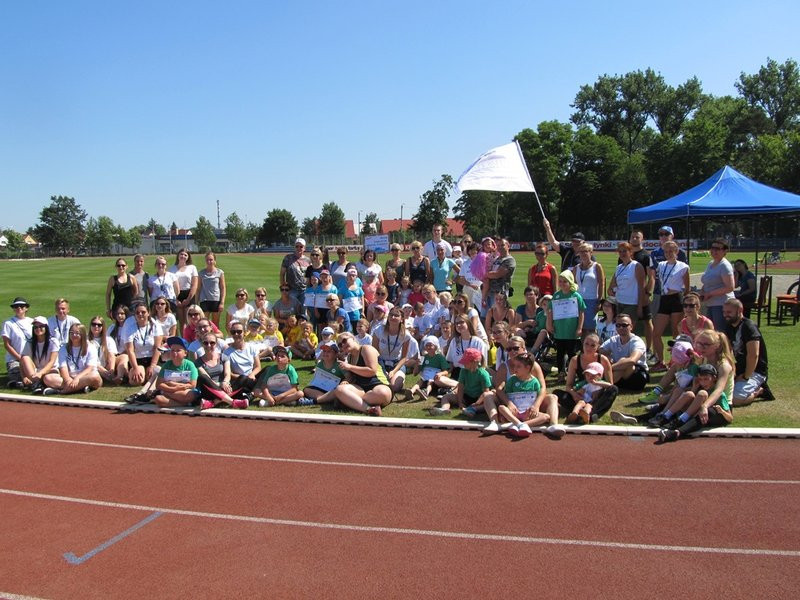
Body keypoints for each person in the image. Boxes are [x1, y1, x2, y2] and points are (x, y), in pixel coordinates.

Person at [482, 352, 564, 438]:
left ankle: (525, 425)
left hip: (528, 412)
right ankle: (498, 423)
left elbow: (541, 390)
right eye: (514, 366)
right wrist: (510, 404)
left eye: (518, 366)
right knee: (502, 408)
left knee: (546, 416)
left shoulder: (534, 380)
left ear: (528, 368)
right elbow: (505, 392)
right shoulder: (512, 379)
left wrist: (535, 406)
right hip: (515, 410)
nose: (515, 368)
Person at [657, 362, 732, 443]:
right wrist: (694, 387)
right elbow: (688, 401)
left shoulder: (719, 395)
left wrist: (722, 411)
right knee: (690, 394)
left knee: (705, 401)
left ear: (714, 378)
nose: (703, 382)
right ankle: (667, 417)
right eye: (700, 379)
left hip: (708, 417)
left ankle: (677, 431)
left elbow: (730, 418)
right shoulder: (699, 388)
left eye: (706, 379)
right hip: (693, 416)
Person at [553, 333, 617, 422]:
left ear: (597, 347)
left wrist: (598, 390)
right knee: (557, 393)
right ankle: (581, 413)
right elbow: (568, 385)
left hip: (597, 395)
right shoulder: (575, 360)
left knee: (614, 389)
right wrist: (575, 395)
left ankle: (591, 414)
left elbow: (610, 384)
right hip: (581, 394)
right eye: (586, 344)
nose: (588, 348)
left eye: (592, 345)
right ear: (582, 344)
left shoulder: (603, 360)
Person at [722, 298, 771, 405]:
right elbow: (728, 352)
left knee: (734, 399)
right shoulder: (729, 326)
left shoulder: (749, 327)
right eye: (724, 312)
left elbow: (754, 355)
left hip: (755, 371)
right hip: (739, 370)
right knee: (720, 393)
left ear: (740, 310)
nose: (726, 315)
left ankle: (760, 390)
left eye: (729, 312)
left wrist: (745, 376)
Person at [650, 240, 690, 371]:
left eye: (671, 251)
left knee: (675, 332)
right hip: (664, 299)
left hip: (676, 299)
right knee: (656, 333)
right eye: (666, 252)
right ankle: (661, 361)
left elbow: (686, 288)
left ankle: (676, 361)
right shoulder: (661, 265)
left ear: (676, 252)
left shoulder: (683, 266)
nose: (668, 254)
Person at [332, 332, 392, 416]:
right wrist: (346, 380)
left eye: (344, 340)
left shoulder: (366, 349)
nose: (343, 345)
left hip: (379, 385)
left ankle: (351, 402)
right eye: (340, 345)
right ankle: (369, 409)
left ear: (353, 338)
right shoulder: (350, 357)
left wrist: (349, 367)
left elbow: (371, 371)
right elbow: (354, 376)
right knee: (340, 389)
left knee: (382, 393)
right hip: (362, 389)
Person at [547, 271, 585, 383]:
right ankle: (561, 373)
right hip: (560, 330)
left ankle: (577, 374)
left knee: (572, 354)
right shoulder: (556, 295)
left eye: (565, 281)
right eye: (560, 281)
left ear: (570, 282)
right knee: (560, 354)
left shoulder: (576, 296)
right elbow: (550, 311)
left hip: (572, 330)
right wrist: (549, 324)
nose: (562, 284)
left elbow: (581, 312)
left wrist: (579, 328)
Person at [195, 331, 248, 410]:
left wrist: (225, 382)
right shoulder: (198, 362)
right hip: (209, 390)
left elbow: (227, 374)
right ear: (202, 344)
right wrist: (221, 385)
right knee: (203, 377)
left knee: (243, 378)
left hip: (224, 387)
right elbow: (207, 378)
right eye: (205, 343)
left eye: (212, 343)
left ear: (216, 344)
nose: (209, 345)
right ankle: (232, 402)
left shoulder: (223, 357)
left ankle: (213, 403)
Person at [430, 347, 491, 415]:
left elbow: (485, 393)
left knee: (487, 403)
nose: (463, 364)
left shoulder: (483, 374)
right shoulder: (463, 371)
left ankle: (473, 410)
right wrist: (460, 402)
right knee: (446, 397)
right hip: (466, 396)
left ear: (474, 362)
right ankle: (444, 409)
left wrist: (477, 403)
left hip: (479, 399)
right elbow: (461, 387)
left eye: (466, 362)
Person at [599, 314, 649, 391]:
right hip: (619, 375)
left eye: (624, 325)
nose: (621, 327)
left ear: (631, 327)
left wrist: (609, 368)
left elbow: (632, 360)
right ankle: (608, 385)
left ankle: (603, 386)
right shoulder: (614, 340)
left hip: (637, 376)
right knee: (619, 363)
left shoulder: (637, 341)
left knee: (627, 364)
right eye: (618, 325)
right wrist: (607, 357)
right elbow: (600, 350)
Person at [649, 225, 688, 322]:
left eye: (666, 234)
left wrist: (683, 292)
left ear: (672, 236)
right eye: (661, 234)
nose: (663, 236)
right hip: (659, 291)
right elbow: (652, 274)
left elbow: (684, 273)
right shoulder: (654, 253)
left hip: (676, 292)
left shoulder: (681, 253)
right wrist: (649, 291)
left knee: (676, 323)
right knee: (656, 320)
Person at [372, 307, 413, 399]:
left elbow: (404, 358)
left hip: (396, 364)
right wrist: (382, 369)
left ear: (402, 319)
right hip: (380, 362)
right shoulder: (379, 330)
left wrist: (393, 371)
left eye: (396, 315)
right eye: (391, 315)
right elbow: (374, 353)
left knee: (394, 386)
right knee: (378, 383)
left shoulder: (406, 335)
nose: (393, 317)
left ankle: (395, 386)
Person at [50, 323, 103, 395]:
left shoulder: (91, 347)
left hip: (86, 377)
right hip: (70, 377)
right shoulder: (63, 348)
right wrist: (68, 380)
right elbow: (63, 367)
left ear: (83, 335)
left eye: (77, 333)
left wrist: (77, 378)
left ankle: (62, 391)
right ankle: (79, 388)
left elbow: (89, 368)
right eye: (71, 333)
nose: (74, 335)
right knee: (48, 378)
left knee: (95, 377)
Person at [122, 302, 164, 388]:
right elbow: (130, 351)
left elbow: (157, 348)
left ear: (148, 313)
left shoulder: (156, 326)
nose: (140, 314)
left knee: (155, 374)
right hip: (137, 360)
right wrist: (135, 368)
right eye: (137, 313)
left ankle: (147, 379)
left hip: (152, 359)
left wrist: (152, 365)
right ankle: (133, 374)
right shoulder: (130, 329)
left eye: (143, 312)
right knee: (137, 380)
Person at [628, 229, 655, 356]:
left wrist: (647, 293)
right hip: (628, 295)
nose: (634, 239)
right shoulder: (626, 255)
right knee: (629, 322)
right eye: (632, 237)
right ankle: (630, 348)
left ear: (642, 239)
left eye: (637, 237)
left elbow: (651, 277)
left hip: (641, 294)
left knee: (647, 321)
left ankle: (648, 349)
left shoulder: (645, 255)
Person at [151, 336, 200, 408]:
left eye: (178, 350)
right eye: (172, 350)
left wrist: (173, 386)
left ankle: (180, 401)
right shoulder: (166, 365)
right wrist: (172, 389)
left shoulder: (190, 365)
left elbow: (192, 385)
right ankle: (185, 404)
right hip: (171, 391)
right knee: (158, 399)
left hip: (185, 392)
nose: (174, 353)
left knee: (188, 395)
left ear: (185, 353)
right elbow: (158, 384)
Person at [607, 242, 646, 328]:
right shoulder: (619, 267)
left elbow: (641, 287)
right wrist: (611, 291)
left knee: (626, 329)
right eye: (620, 251)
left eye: (624, 251)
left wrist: (640, 307)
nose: (622, 254)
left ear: (630, 252)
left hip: (631, 304)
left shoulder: (636, 266)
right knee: (619, 330)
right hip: (619, 302)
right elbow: (611, 287)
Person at [699, 238, 735, 330]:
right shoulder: (711, 263)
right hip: (710, 303)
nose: (714, 251)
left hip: (722, 304)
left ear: (725, 251)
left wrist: (710, 294)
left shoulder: (724, 266)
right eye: (712, 248)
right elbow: (708, 281)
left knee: (719, 332)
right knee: (710, 332)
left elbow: (730, 287)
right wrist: (703, 291)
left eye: (718, 249)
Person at [19, 316, 59, 393]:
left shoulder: (53, 342)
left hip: (50, 370)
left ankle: (38, 384)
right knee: (25, 358)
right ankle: (36, 383)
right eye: (35, 327)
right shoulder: (29, 342)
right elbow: (22, 362)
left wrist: (41, 373)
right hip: (35, 372)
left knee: (48, 379)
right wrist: (24, 377)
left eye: (41, 326)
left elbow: (52, 362)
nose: (38, 329)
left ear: (46, 328)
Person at [572, 243, 604, 333]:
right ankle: (582, 346)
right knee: (580, 327)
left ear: (591, 252)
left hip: (592, 300)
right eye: (581, 252)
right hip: (578, 300)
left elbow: (601, 284)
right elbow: (573, 285)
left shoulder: (596, 266)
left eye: (585, 251)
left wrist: (599, 301)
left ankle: (593, 346)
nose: (583, 254)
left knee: (591, 327)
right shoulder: (576, 268)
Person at [409, 335, 453, 401]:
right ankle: (411, 391)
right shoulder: (423, 357)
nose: (428, 347)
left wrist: (441, 374)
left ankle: (426, 392)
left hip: (435, 380)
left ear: (435, 346)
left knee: (430, 382)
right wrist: (417, 364)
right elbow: (415, 373)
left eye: (431, 345)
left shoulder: (440, 357)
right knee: (420, 381)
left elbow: (446, 371)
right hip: (424, 378)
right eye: (427, 345)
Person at [302, 340, 346, 405]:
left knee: (336, 392)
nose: (325, 353)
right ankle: (329, 399)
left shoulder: (340, 365)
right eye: (324, 351)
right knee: (306, 390)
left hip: (333, 390)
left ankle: (318, 400)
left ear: (336, 354)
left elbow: (349, 376)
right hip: (321, 389)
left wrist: (345, 381)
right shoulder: (320, 364)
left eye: (329, 351)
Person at [4, 298, 33, 387]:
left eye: (21, 306)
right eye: (16, 306)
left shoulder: (32, 321)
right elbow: (7, 344)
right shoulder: (8, 323)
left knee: (33, 376)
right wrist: (20, 358)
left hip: (31, 359)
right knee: (18, 376)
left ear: (26, 308)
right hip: (15, 359)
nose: (19, 308)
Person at [169, 248, 199, 332]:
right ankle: (183, 341)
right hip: (176, 295)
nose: (183, 256)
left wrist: (188, 299)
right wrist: (176, 299)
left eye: (185, 255)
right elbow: (170, 285)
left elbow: (194, 285)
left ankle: (190, 340)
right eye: (181, 254)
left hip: (189, 294)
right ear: (178, 255)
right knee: (181, 322)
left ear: (188, 257)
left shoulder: (192, 268)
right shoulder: (172, 269)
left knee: (190, 321)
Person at [483, 238, 516, 311]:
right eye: (498, 245)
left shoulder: (510, 260)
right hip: (489, 291)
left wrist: (483, 274)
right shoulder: (496, 259)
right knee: (485, 315)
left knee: (496, 315)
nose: (500, 247)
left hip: (500, 293)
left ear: (508, 246)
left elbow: (497, 274)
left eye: (502, 245)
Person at [197, 251, 226, 327]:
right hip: (204, 300)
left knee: (215, 323)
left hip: (215, 299)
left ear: (214, 261)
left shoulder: (220, 272)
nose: (209, 261)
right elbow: (198, 288)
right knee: (204, 323)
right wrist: (196, 302)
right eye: (207, 260)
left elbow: (223, 288)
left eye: (211, 259)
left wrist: (222, 302)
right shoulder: (201, 273)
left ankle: (215, 338)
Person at [87, 316, 117, 385]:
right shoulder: (86, 340)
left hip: (106, 366)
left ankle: (112, 375)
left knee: (123, 357)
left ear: (103, 327)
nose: (96, 326)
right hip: (92, 367)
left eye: (99, 325)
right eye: (93, 324)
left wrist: (111, 370)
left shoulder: (108, 339)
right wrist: (102, 370)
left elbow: (112, 356)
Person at [280, 238, 311, 306]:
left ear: (304, 248)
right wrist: (283, 289)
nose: (299, 248)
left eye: (301, 246)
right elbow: (282, 274)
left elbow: (309, 276)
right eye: (297, 246)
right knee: (292, 310)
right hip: (292, 290)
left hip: (304, 290)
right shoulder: (288, 258)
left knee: (303, 311)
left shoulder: (308, 260)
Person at [456, 242, 483, 310]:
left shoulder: (483, 262)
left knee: (481, 310)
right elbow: (461, 279)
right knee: (468, 309)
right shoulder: (465, 264)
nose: (473, 252)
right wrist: (470, 285)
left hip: (480, 289)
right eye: (471, 250)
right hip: (468, 289)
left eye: (475, 250)